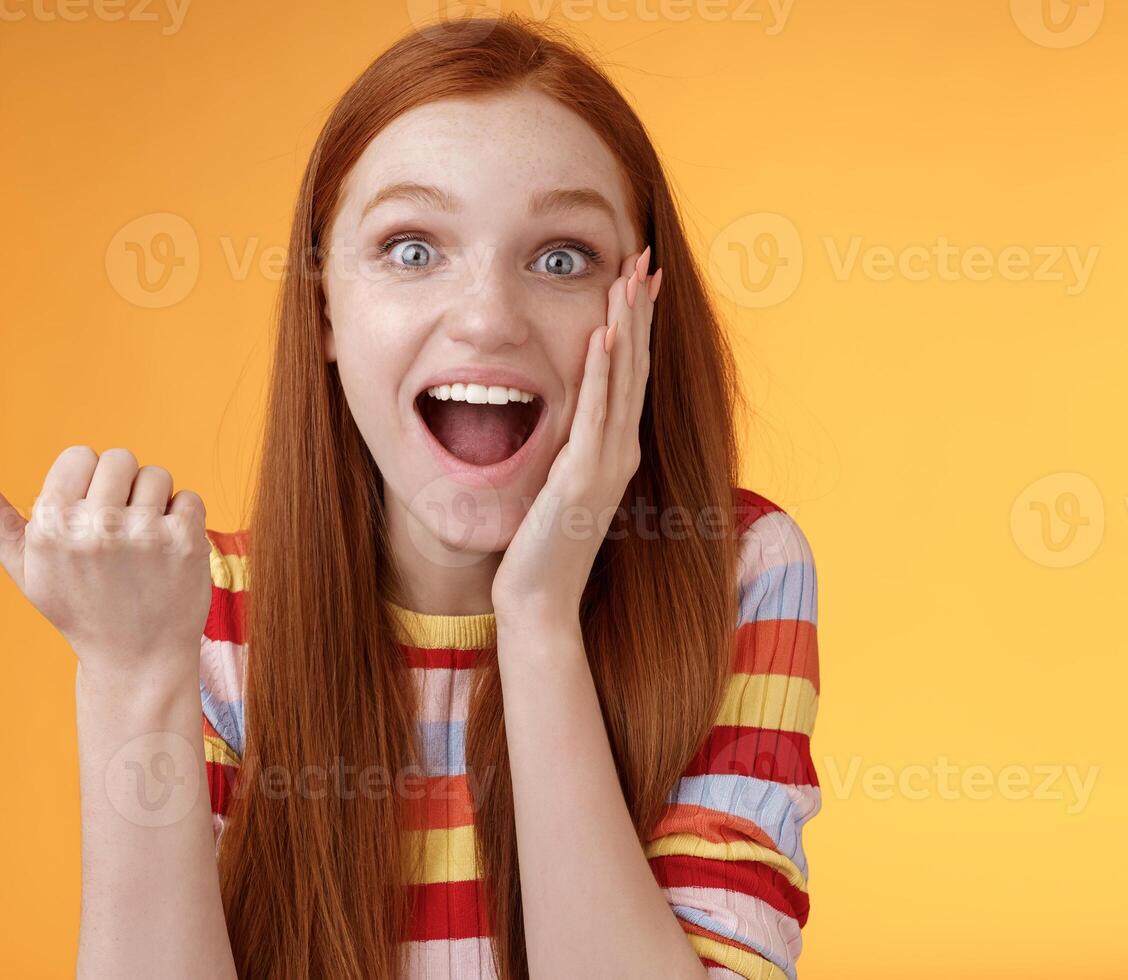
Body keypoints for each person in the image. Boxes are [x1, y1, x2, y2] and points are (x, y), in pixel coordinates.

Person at [0, 16, 817, 980]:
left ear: (641, 307)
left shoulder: (734, 573)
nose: (487, 319)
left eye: (562, 258)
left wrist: (538, 614)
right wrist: (134, 676)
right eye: (411, 248)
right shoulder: (199, 619)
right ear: (325, 309)